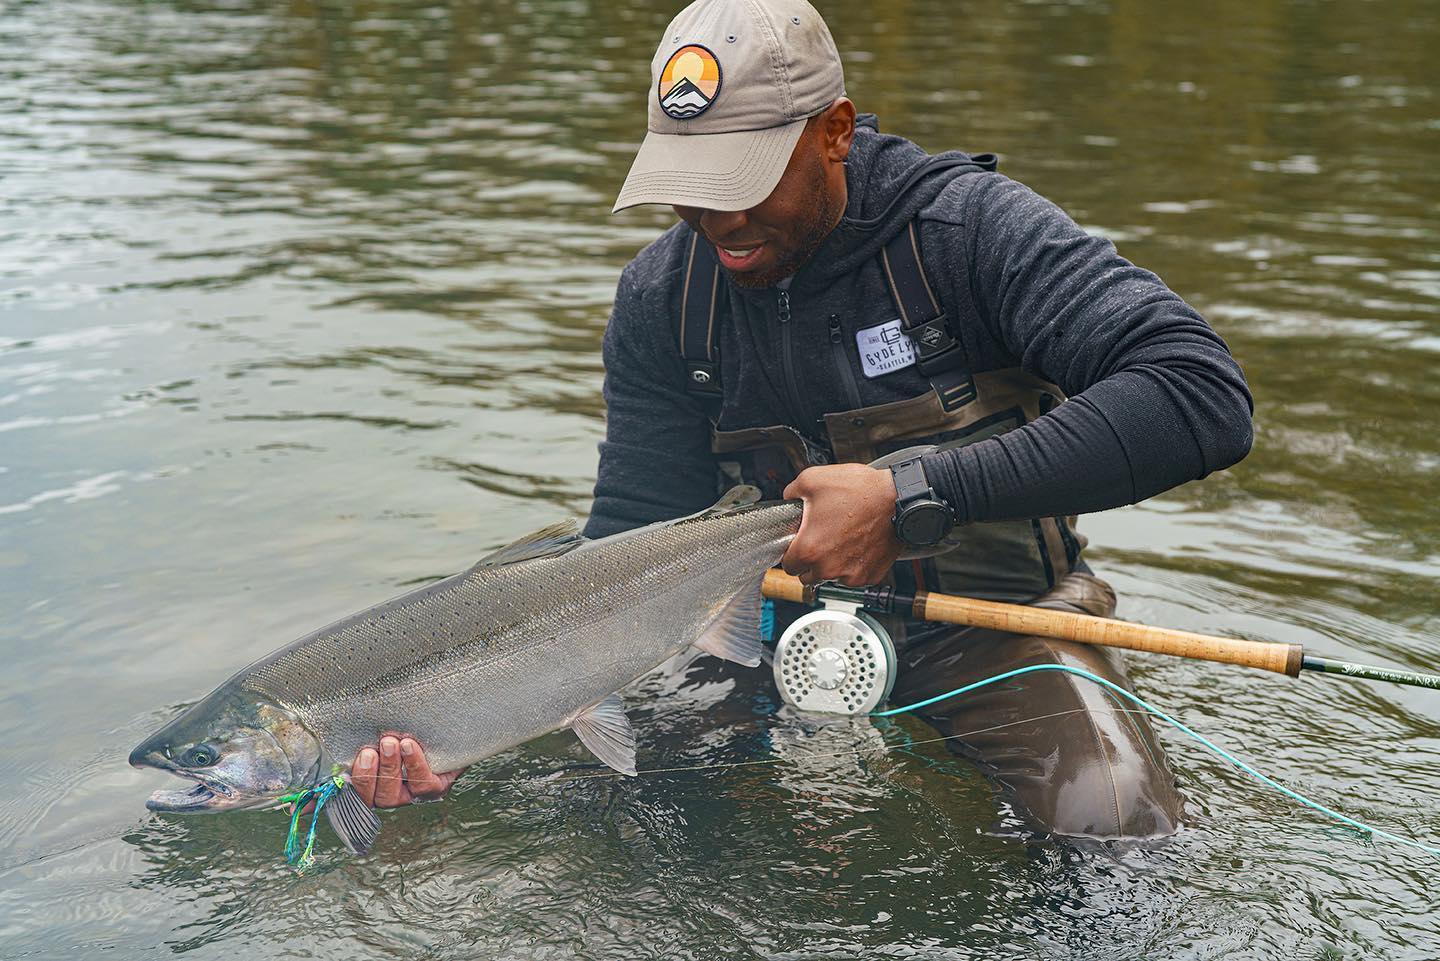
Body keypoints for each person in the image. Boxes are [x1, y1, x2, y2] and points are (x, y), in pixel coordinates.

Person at [351, 0, 1253, 839]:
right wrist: (461, 727)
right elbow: (630, 543)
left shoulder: (970, 233)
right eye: (692, 184)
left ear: (836, 131)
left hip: (992, 624)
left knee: (1119, 828)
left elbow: (1198, 394)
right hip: (746, 643)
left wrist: (913, 492)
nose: (721, 217)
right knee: (616, 826)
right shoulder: (661, 298)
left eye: (748, 178)